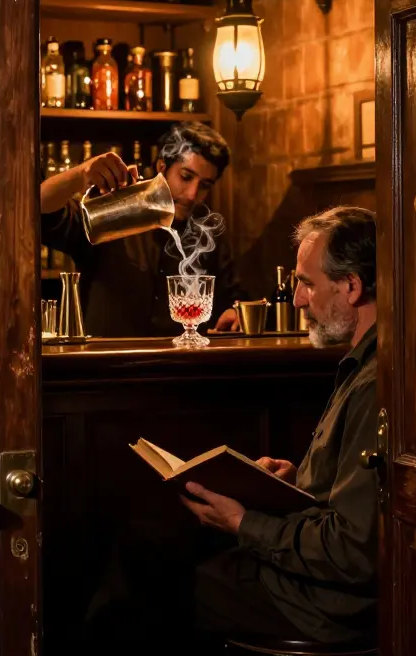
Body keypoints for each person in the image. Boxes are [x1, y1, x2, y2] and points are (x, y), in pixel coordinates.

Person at [81, 206, 379, 648]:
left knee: (138, 586)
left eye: (306, 283)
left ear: (351, 286)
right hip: (307, 582)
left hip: (317, 605)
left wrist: (243, 523)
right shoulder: (363, 363)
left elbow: (352, 550)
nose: (297, 300)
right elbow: (356, 499)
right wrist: (297, 481)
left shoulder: (376, 384)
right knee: (143, 544)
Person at [40, 123, 247, 338]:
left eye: (205, 185)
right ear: (161, 167)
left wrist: (234, 312)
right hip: (106, 365)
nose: (193, 194)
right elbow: (39, 212)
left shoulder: (207, 232)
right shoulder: (118, 210)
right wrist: (81, 174)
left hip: (182, 367)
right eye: (186, 177)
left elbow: (234, 296)